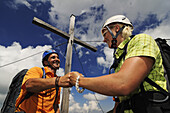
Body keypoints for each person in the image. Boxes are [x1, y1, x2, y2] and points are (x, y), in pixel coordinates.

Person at [69, 15, 167, 113]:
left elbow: (124, 83)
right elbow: (120, 97)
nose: (103, 39)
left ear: (116, 29)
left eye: (104, 33)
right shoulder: (119, 57)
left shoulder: (142, 39)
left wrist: (79, 81)